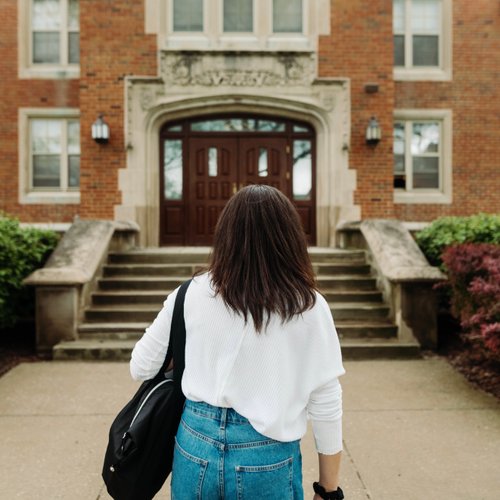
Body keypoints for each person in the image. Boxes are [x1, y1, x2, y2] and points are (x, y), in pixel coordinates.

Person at [130, 184, 345, 499]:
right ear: (289, 237)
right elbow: (326, 402)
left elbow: (141, 366)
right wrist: (328, 489)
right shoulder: (308, 306)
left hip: (194, 444)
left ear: (225, 235)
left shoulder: (189, 294)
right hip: (266, 455)